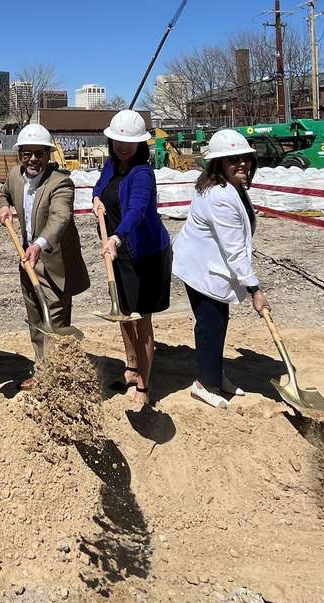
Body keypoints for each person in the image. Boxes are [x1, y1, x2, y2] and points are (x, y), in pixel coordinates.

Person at [172, 129, 269, 409]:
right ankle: (203, 384)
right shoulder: (220, 196)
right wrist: (254, 289)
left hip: (210, 265)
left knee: (218, 321)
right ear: (218, 165)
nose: (242, 164)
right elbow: (234, 248)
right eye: (233, 160)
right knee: (210, 325)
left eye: (245, 158)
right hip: (200, 269)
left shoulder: (231, 188)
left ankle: (215, 373)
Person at [0, 123, 88, 389]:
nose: (33, 159)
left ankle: (55, 377)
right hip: (27, 261)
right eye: (27, 153)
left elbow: (61, 217)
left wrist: (39, 244)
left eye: (39, 153)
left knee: (55, 322)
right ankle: (43, 370)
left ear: (48, 155)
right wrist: (3, 208)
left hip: (53, 263)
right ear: (20, 154)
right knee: (36, 318)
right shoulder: (15, 176)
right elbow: (0, 194)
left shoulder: (61, 183)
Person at [90, 110, 172, 404]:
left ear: (141, 144)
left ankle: (145, 387)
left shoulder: (142, 174)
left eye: (130, 142)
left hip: (145, 254)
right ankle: (131, 367)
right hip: (120, 252)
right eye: (118, 141)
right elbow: (100, 188)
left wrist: (115, 236)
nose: (123, 147)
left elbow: (137, 211)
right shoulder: (112, 164)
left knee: (141, 320)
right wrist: (96, 199)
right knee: (123, 314)